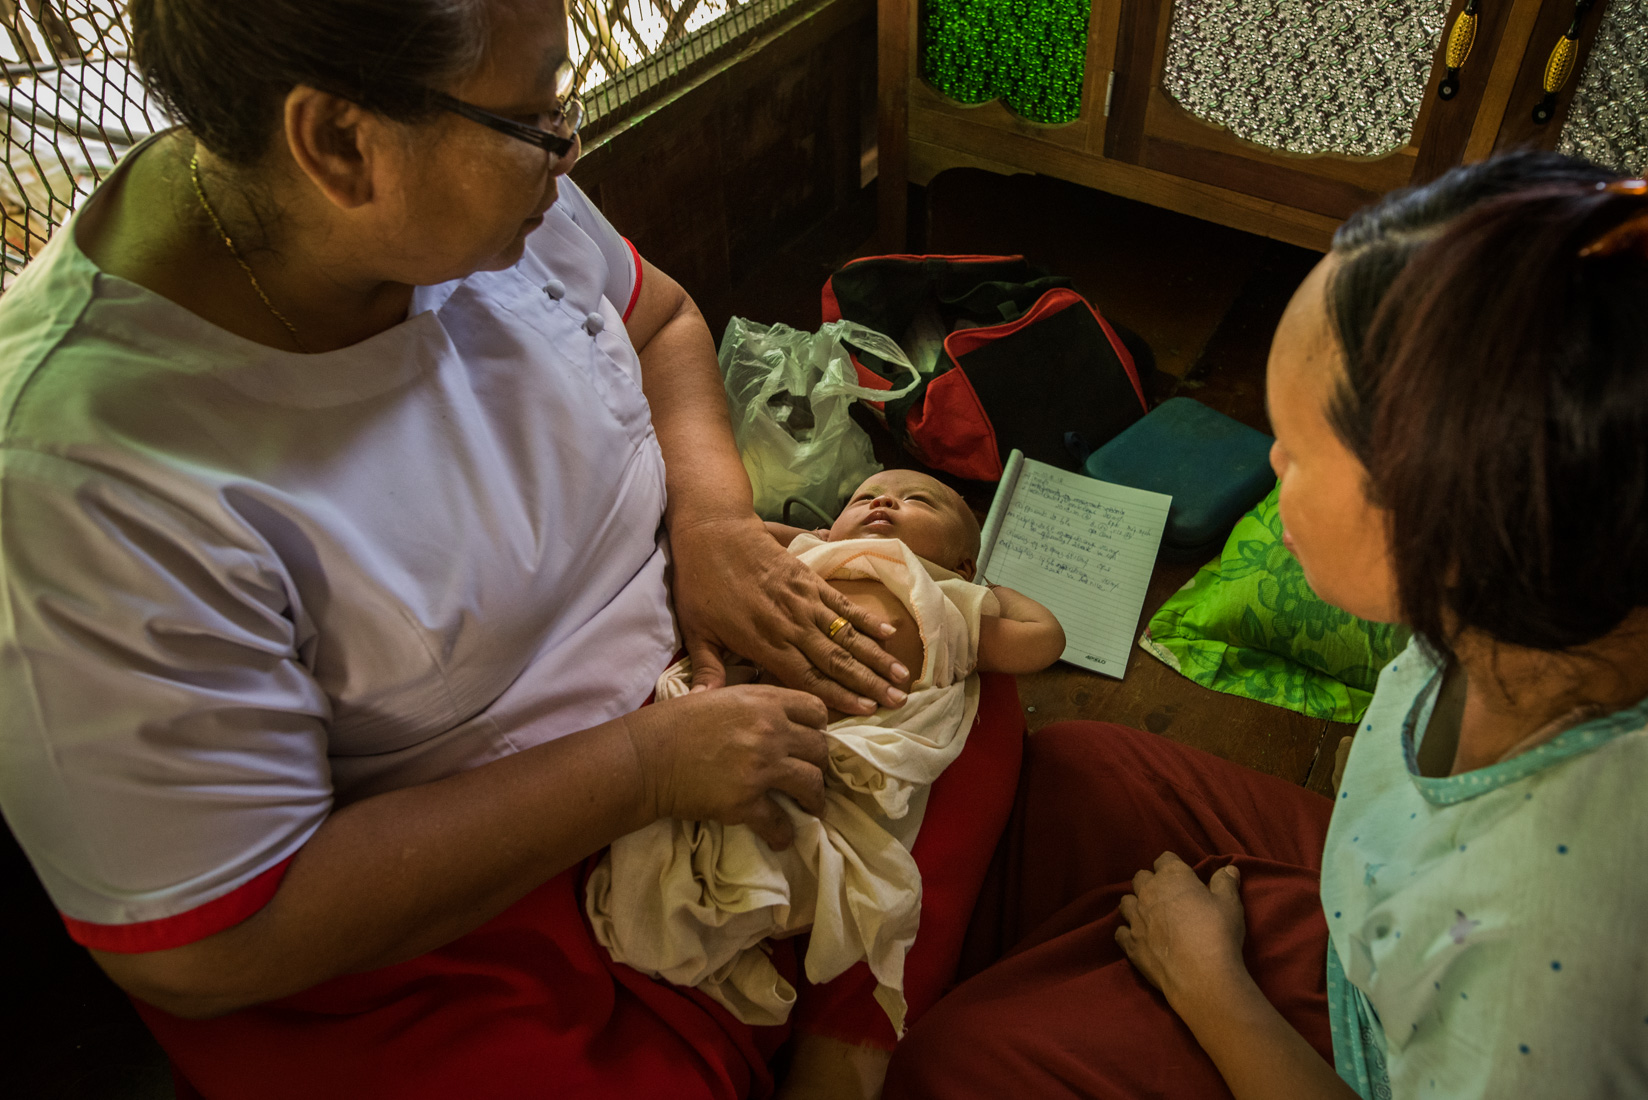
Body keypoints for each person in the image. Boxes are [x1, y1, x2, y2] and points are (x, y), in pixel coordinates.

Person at [0, 2, 1027, 1097]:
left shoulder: (449, 193)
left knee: (947, 663)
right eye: (540, 118)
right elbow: (215, 939)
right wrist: (642, 766)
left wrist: (714, 526)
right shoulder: (82, 481)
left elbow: (663, 318)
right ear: (340, 145)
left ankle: (844, 1029)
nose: (567, 150)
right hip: (449, 906)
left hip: (688, 700)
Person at [883, 152, 1648, 1098]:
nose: (1271, 460)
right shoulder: (1533, 608)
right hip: (1379, 904)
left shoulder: (1549, 945)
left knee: (951, 1070)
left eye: (1299, 448)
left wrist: (1214, 989)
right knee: (1078, 772)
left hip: (1373, 1050)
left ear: (1443, 519)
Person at [588, 469, 1062, 1091]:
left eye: (918, 501)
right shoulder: (808, 559)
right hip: (747, 717)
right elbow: (736, 541)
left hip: (845, 751)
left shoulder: (948, 601)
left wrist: (977, 585)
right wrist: (804, 538)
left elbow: (1043, 640)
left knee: (809, 838)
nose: (883, 501)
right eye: (862, 497)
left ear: (964, 558)